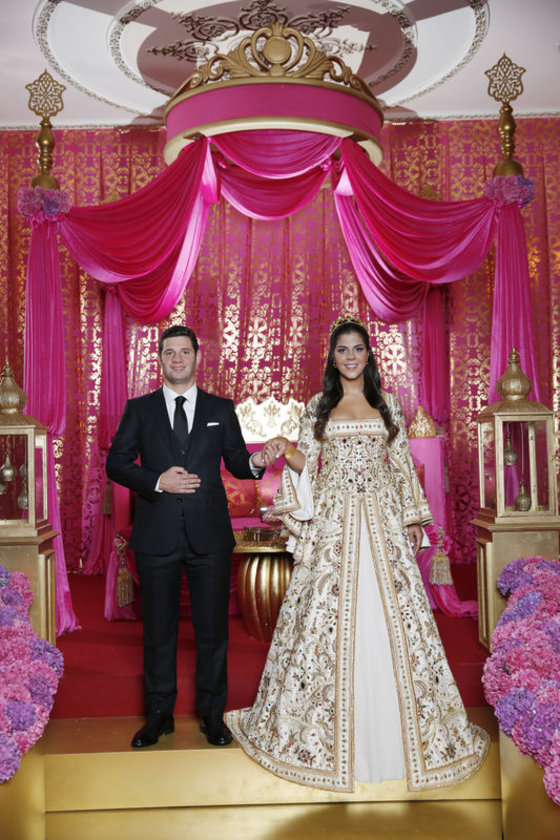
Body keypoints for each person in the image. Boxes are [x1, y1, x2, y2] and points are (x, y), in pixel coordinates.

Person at [225, 316, 489, 792]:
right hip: (334, 524)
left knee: (395, 619)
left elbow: (401, 464)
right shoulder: (318, 405)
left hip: (383, 520)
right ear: (333, 357)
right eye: (342, 349)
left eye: (357, 349)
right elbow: (308, 462)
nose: (350, 357)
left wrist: (413, 519)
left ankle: (406, 737)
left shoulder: (387, 404)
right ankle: (322, 735)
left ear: (369, 355)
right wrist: (284, 449)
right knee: (326, 618)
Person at [106, 325, 269, 749]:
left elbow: (238, 463)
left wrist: (259, 461)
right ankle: (159, 716)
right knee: (158, 631)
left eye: (184, 351)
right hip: (156, 535)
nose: (177, 358)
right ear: (159, 358)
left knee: (212, 632)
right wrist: (156, 480)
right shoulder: (139, 409)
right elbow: (116, 463)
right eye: (169, 352)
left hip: (209, 537)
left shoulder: (220, 408)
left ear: (197, 356)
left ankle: (213, 717)